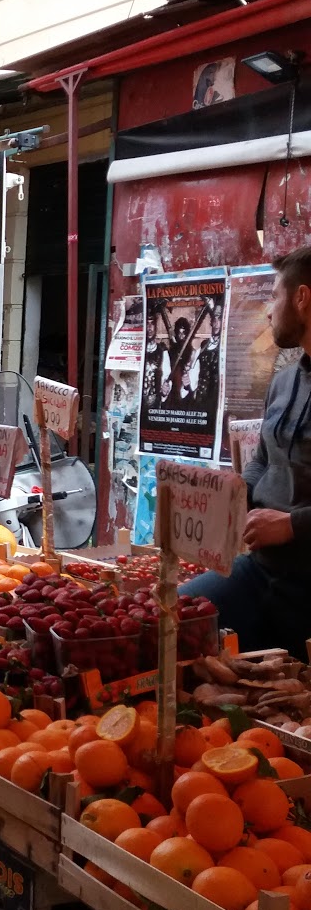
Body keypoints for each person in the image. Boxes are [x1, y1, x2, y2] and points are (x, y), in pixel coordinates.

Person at [181, 248, 311, 659]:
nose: (269, 312)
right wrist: (235, 492)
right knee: (168, 620)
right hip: (260, 569)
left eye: (275, 296)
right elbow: (263, 460)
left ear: (302, 299)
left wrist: (292, 525)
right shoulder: (286, 380)